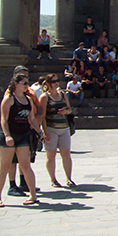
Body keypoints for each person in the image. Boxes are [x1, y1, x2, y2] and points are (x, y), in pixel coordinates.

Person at [0, 73, 44, 206]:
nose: (26, 86)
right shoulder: (9, 99)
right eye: (24, 83)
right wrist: (7, 135)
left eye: (27, 83)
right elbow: (3, 119)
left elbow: (31, 119)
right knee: (4, 167)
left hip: (23, 134)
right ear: (16, 84)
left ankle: (33, 195)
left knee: (25, 165)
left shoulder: (28, 99)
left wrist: (40, 132)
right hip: (10, 135)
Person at [39, 74, 75, 188]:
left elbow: (69, 108)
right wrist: (45, 132)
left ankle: (69, 178)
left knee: (66, 154)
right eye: (53, 81)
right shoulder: (44, 97)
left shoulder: (62, 94)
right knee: (51, 155)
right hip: (51, 128)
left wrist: (66, 112)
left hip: (64, 128)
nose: (56, 83)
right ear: (48, 84)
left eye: (57, 81)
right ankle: (53, 179)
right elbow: (42, 116)